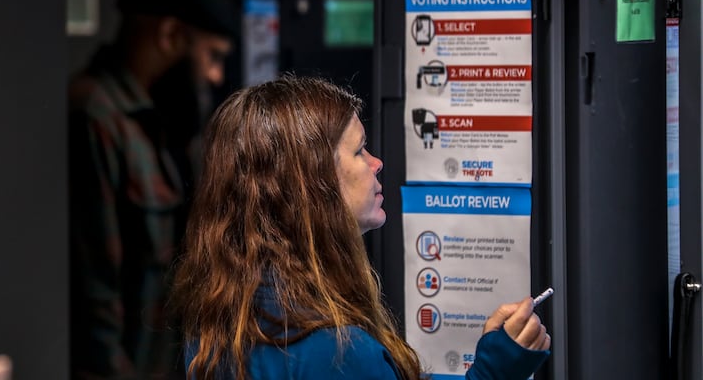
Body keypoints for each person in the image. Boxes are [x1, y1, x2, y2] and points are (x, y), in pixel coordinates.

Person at [171, 76, 550, 379]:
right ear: (313, 183)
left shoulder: (223, 324)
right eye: (358, 151)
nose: (377, 163)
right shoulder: (337, 352)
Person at [68, 0, 237, 379]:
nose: (217, 75)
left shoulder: (162, 125)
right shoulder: (97, 118)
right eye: (212, 56)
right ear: (170, 34)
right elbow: (96, 293)